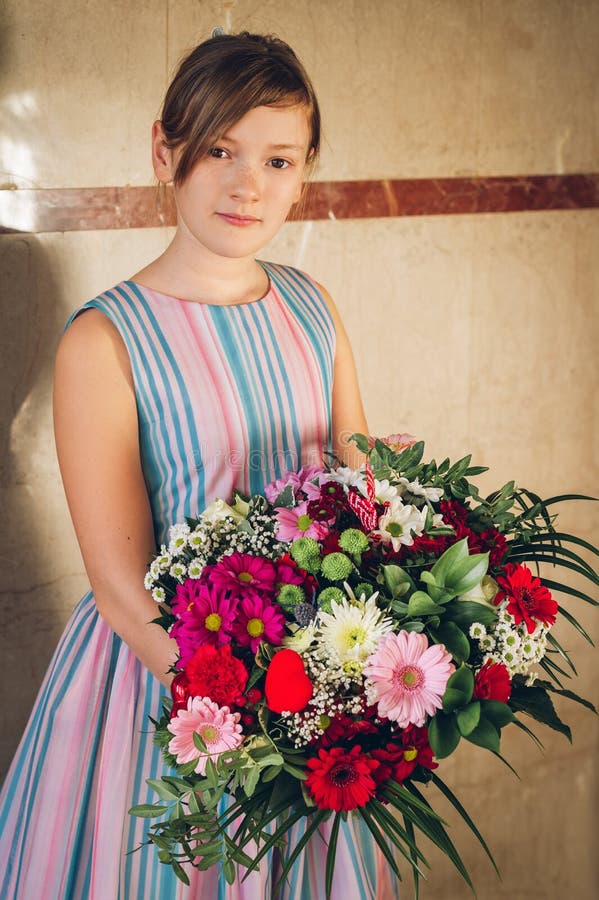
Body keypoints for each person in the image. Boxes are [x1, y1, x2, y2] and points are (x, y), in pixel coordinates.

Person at [0, 32, 400, 899]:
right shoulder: (105, 340)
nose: (246, 183)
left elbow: (360, 496)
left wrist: (358, 673)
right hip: (176, 690)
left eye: (277, 159)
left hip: (310, 680)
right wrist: (251, 721)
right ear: (163, 148)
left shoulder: (311, 306)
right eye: (218, 148)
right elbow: (118, 586)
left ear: (304, 171)